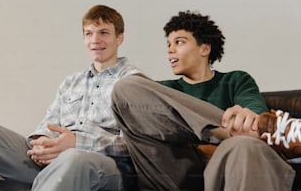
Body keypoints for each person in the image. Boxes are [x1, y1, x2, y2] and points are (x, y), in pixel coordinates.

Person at [111, 10, 299, 190]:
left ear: (205, 48)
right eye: (168, 44)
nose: (170, 50)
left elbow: (255, 114)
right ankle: (225, 130)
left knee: (244, 144)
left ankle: (235, 135)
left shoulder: (235, 80)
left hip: (226, 166)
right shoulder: (162, 90)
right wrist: (229, 130)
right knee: (125, 87)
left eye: (179, 42)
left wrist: (250, 123)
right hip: (175, 171)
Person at [0, 4, 140, 191]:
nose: (95, 40)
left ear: (119, 37)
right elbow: (48, 123)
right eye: (88, 33)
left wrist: (76, 144)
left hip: (106, 166)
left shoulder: (134, 83)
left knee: (74, 158)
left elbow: (134, 146)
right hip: (58, 159)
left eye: (103, 32)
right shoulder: (71, 81)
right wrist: (43, 142)